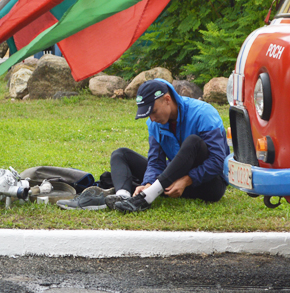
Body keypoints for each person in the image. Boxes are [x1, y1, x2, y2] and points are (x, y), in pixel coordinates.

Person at [57, 79, 230, 212]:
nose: (152, 119)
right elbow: (155, 161)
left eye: (153, 112)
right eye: (148, 115)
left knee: (192, 141)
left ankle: (145, 198)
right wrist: (148, 182)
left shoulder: (204, 114)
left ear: (167, 100)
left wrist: (187, 179)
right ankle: (122, 197)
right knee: (121, 154)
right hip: (169, 183)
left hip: (208, 186)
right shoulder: (154, 123)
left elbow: (218, 161)